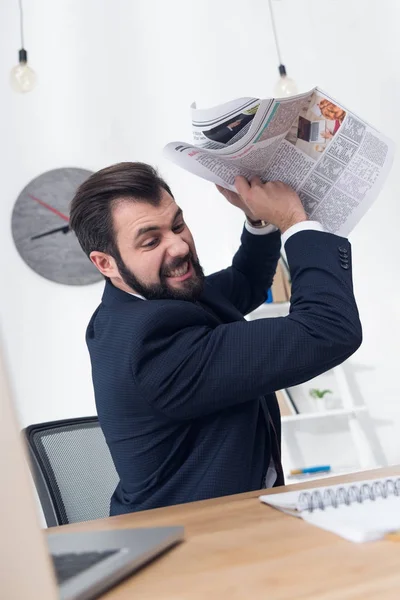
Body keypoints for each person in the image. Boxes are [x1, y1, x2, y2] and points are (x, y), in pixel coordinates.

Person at [69, 162, 362, 516]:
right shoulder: (151, 346)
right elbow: (327, 329)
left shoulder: (153, 298)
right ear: (106, 263)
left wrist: (258, 220)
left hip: (248, 517)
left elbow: (245, 281)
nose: (178, 246)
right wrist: (295, 223)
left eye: (177, 225)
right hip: (193, 543)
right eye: (151, 241)